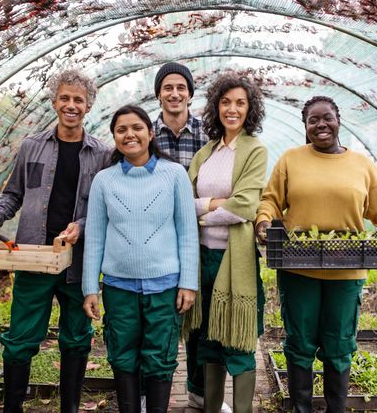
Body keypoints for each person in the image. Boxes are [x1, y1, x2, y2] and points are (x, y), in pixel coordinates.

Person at [255, 96, 377, 413]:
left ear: (339, 119)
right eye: (313, 120)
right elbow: (270, 201)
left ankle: (336, 409)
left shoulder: (361, 164)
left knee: (339, 346)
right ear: (305, 127)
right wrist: (264, 222)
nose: (320, 125)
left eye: (327, 118)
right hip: (298, 267)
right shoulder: (291, 160)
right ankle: (301, 409)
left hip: (347, 269)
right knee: (299, 344)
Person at [0, 69, 112, 413]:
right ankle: (13, 406)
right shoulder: (32, 146)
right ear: (54, 101)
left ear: (88, 106)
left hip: (77, 261)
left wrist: (82, 226)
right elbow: (12, 195)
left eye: (78, 100)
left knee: (76, 338)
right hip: (34, 257)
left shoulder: (102, 153)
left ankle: (69, 407)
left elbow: (106, 208)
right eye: (65, 98)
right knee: (21, 338)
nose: (71, 105)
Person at [82, 105, 199, 413]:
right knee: (122, 356)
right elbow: (94, 237)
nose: (129, 134)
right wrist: (89, 289)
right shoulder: (104, 181)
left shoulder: (174, 174)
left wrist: (188, 283)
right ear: (114, 138)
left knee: (160, 358)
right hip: (119, 287)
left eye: (136, 128)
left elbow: (187, 233)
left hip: (165, 287)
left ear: (150, 133)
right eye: (121, 130)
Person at [186, 73, 268, 413]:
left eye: (240, 103)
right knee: (207, 339)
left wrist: (202, 213)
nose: (231, 109)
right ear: (216, 106)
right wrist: (217, 205)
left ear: (249, 109)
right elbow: (184, 202)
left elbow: (245, 206)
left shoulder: (254, 149)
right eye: (225, 102)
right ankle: (211, 407)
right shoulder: (206, 152)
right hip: (201, 256)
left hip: (234, 260)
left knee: (238, 339)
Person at [154, 62, 225, 412]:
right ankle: (150, 391)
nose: (174, 93)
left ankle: (199, 390)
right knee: (160, 317)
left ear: (190, 94)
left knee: (201, 318)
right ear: (159, 94)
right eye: (167, 87)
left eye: (181, 87)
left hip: (201, 238)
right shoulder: (144, 134)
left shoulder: (209, 137)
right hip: (156, 241)